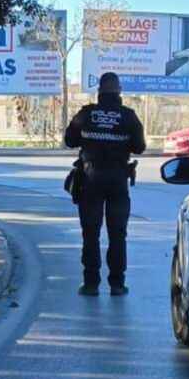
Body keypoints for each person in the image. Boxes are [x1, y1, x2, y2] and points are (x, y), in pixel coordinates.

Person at [64, 72, 146, 296]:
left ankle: (91, 283)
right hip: (118, 180)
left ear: (99, 91)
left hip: (90, 180)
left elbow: (69, 140)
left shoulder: (86, 114)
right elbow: (140, 147)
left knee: (90, 232)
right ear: (119, 91)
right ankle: (117, 284)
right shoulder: (128, 116)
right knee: (117, 233)